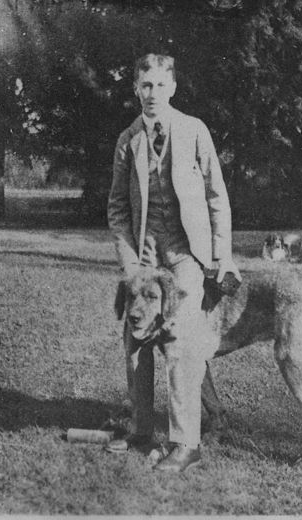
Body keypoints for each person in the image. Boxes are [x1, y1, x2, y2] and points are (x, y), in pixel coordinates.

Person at [107, 53, 240, 472]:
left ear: (173, 89)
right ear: (135, 89)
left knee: (179, 342)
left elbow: (217, 196)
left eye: (160, 86)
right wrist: (130, 265)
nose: (152, 94)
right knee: (135, 340)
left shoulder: (194, 130)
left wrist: (221, 257)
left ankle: (186, 443)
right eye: (145, 86)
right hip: (145, 256)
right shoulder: (128, 141)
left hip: (187, 254)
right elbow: (116, 209)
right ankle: (142, 429)